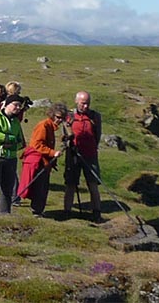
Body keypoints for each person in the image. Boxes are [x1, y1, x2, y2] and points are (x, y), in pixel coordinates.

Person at [19, 102, 68, 218]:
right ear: (52, 115)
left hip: (43, 161)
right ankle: (36, 211)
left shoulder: (50, 127)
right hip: (37, 161)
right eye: (58, 117)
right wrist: (53, 153)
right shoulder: (43, 126)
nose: (60, 120)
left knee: (42, 187)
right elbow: (36, 144)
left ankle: (38, 210)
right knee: (38, 187)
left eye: (62, 118)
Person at [64, 91, 103, 222]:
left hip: (90, 155)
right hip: (73, 154)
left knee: (93, 184)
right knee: (70, 184)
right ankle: (67, 212)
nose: (85, 106)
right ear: (76, 101)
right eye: (83, 103)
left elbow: (97, 135)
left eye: (87, 103)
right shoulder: (69, 116)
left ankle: (96, 212)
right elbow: (64, 135)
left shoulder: (95, 116)